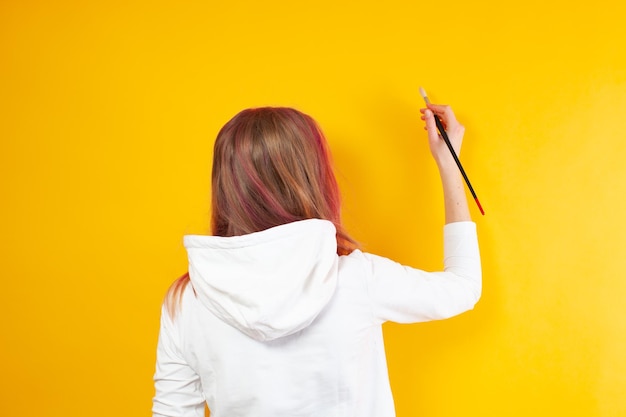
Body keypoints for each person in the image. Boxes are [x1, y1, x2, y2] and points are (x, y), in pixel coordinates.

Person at [152, 103, 481, 417]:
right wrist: (449, 162)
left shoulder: (186, 301)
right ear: (312, 178)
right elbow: (463, 287)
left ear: (225, 185)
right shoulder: (356, 278)